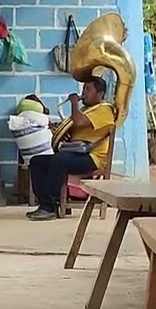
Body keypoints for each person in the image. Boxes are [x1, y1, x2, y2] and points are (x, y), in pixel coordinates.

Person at [26, 77, 116, 221]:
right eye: (83, 89)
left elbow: (79, 122)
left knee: (59, 161)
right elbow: (74, 132)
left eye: (88, 89)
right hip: (77, 154)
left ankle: (51, 207)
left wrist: (74, 103)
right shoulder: (87, 110)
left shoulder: (105, 109)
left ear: (100, 94)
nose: (83, 93)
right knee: (37, 161)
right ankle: (45, 204)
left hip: (93, 158)